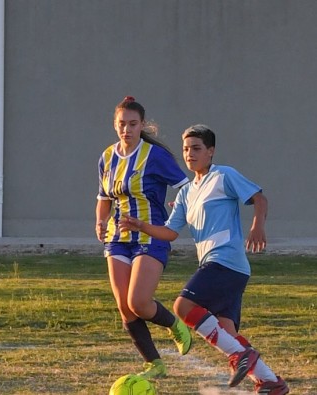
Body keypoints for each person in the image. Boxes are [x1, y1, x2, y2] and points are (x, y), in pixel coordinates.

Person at [119, 125, 288, 394]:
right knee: (227, 333)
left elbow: (259, 198)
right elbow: (170, 232)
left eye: (196, 148)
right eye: (186, 149)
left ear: (211, 151)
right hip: (217, 265)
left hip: (226, 261)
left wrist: (258, 226)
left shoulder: (223, 175)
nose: (190, 154)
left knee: (183, 306)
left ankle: (242, 357)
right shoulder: (186, 193)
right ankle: (270, 382)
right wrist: (140, 225)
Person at [95, 96, 192, 379]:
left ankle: (175, 324)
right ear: (115, 125)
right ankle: (154, 363)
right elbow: (103, 198)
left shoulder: (155, 156)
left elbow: (186, 188)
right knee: (125, 307)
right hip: (117, 237)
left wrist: (178, 210)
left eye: (133, 124)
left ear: (142, 125)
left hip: (150, 235)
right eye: (122, 124)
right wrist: (100, 220)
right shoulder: (107, 157)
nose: (127, 129)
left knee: (138, 302)